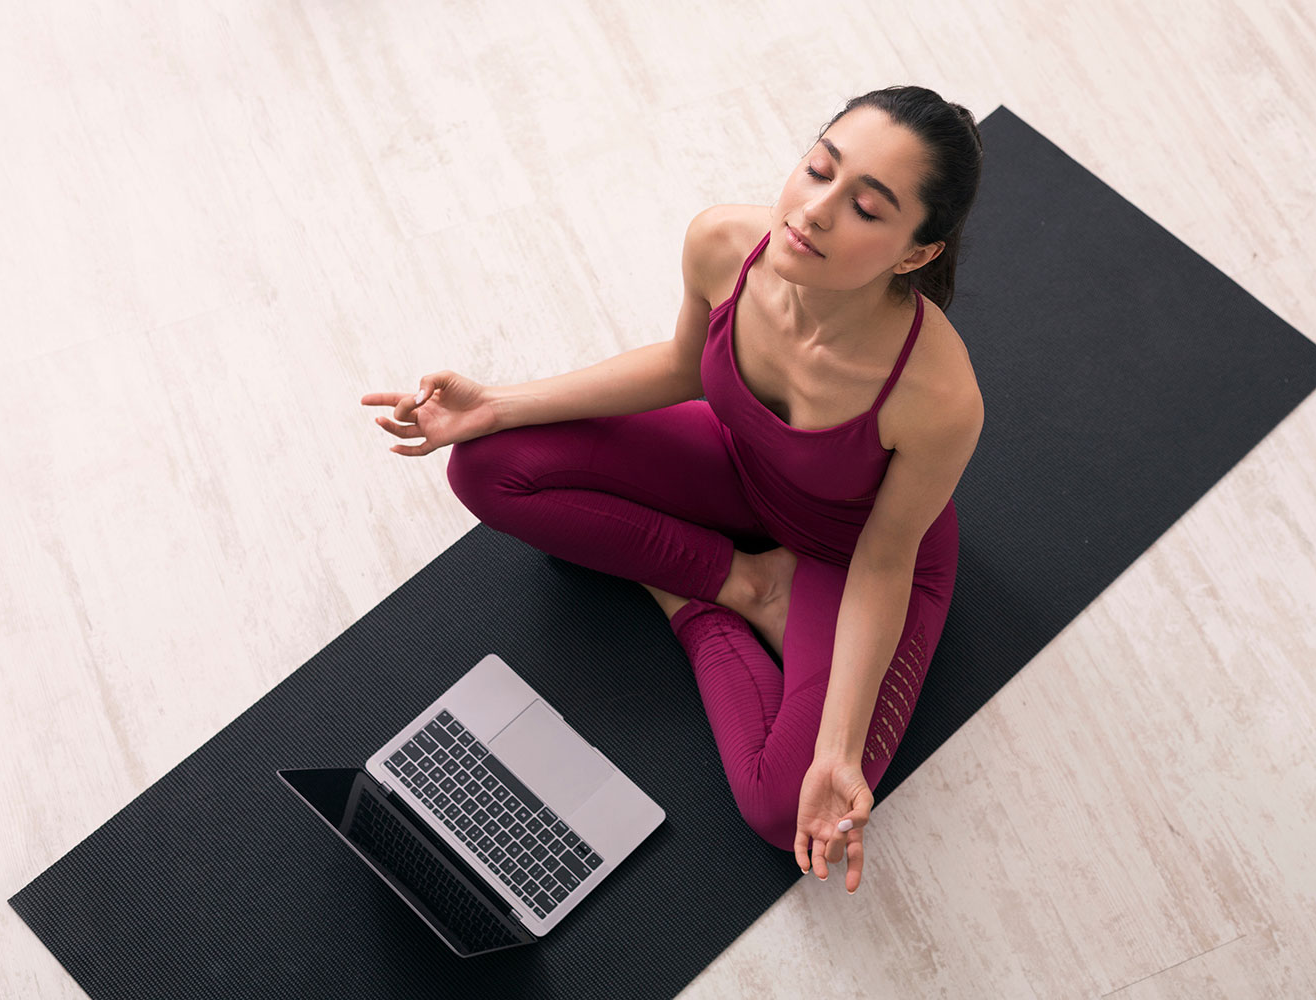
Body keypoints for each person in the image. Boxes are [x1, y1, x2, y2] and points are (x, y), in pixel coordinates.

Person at [360, 85, 985, 896]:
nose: (816, 211)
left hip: (854, 548)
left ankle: (686, 597)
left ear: (915, 254)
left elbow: (884, 561)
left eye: (866, 208)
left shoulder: (936, 398)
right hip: (740, 465)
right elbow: (685, 368)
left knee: (786, 808)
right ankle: (745, 584)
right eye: (818, 168)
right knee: (483, 464)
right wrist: (498, 404)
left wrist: (837, 748)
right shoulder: (726, 243)